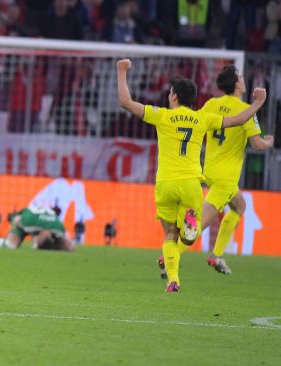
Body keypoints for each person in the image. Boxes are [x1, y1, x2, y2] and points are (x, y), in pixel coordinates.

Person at [116, 58, 266, 292]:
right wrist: (258, 102)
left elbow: (126, 102)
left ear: (173, 96)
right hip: (190, 185)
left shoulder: (162, 115)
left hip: (165, 185)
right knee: (189, 236)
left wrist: (121, 71)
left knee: (169, 233)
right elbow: (238, 119)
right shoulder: (201, 119)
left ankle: (173, 280)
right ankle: (191, 232)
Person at [159, 65, 274, 277]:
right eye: (240, 77)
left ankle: (217, 255)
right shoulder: (246, 109)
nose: (243, 80)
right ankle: (171, 255)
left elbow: (194, 121)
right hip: (227, 176)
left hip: (209, 169)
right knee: (198, 223)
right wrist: (268, 142)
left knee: (240, 205)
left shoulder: (211, 104)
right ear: (238, 84)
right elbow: (257, 145)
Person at [0, 205, 75, 252]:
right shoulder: (58, 227)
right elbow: (71, 247)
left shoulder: (57, 227)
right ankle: (7, 242)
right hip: (29, 219)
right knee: (68, 247)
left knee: (11, 245)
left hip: (30, 219)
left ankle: (5, 242)